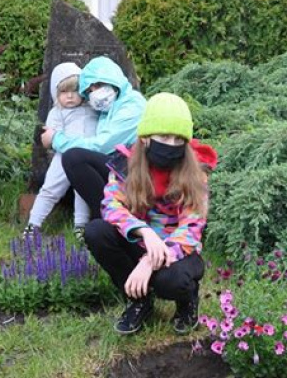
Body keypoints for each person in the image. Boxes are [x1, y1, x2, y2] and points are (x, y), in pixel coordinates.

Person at [82, 93, 218, 335]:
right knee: (96, 231)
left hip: (179, 250)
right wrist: (144, 232)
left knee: (170, 282)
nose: (172, 145)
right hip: (142, 241)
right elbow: (110, 206)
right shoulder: (124, 165)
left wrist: (149, 261)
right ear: (145, 138)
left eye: (179, 139)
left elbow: (192, 229)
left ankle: (187, 300)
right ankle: (139, 300)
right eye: (164, 136)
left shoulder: (196, 173)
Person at [43, 55, 146, 221]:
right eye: (89, 91)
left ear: (112, 79)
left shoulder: (132, 105)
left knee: (75, 158)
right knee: (73, 158)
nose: (95, 93)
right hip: (121, 167)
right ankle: (105, 214)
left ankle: (105, 216)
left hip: (136, 172)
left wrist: (56, 139)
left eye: (97, 85)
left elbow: (102, 146)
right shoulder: (107, 109)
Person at [24, 62, 98, 240]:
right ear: (56, 93)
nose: (70, 96)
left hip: (87, 157)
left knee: (82, 192)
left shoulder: (92, 109)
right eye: (64, 92)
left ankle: (80, 226)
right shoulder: (57, 112)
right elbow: (51, 136)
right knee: (50, 189)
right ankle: (33, 224)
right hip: (63, 158)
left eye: (75, 90)